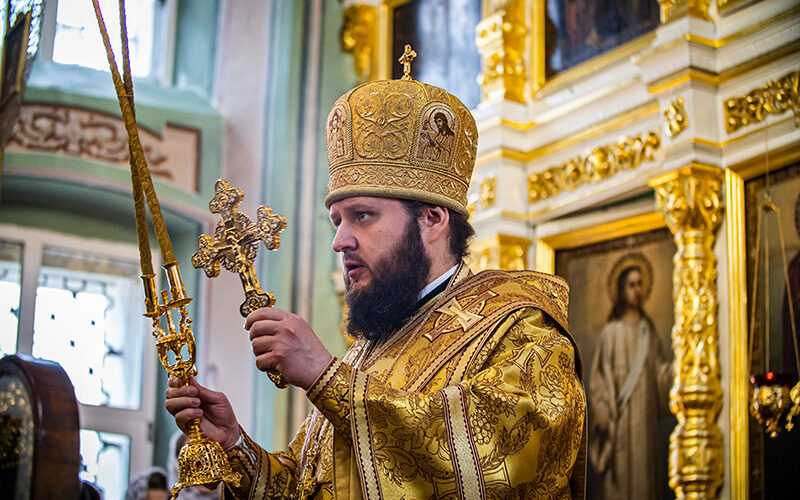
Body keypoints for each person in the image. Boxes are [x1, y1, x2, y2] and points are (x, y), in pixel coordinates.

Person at [166, 72, 586, 499]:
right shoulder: (367, 352)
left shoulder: (521, 329)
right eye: (337, 221)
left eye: (362, 215)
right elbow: (306, 489)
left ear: (432, 219)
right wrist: (236, 445)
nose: (339, 240)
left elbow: (493, 461)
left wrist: (325, 377)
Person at [588, 256, 671, 500]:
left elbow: (660, 374)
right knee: (621, 480)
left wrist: (679, 371)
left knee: (644, 478)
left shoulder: (648, 331)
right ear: (621, 289)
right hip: (619, 422)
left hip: (644, 424)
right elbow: (599, 381)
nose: (638, 290)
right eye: (632, 284)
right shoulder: (610, 333)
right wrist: (602, 414)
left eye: (640, 284)